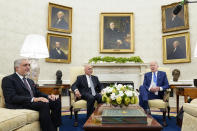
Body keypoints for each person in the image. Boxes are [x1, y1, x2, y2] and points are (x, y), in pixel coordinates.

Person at [1, 58, 61, 131]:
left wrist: (48, 96)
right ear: (17, 68)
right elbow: (11, 98)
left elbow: (37, 93)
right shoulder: (8, 79)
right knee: (43, 104)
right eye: (25, 65)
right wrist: (33, 99)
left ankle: (55, 128)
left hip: (31, 102)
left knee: (56, 101)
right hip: (19, 103)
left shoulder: (30, 80)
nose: (28, 67)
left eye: (29, 65)